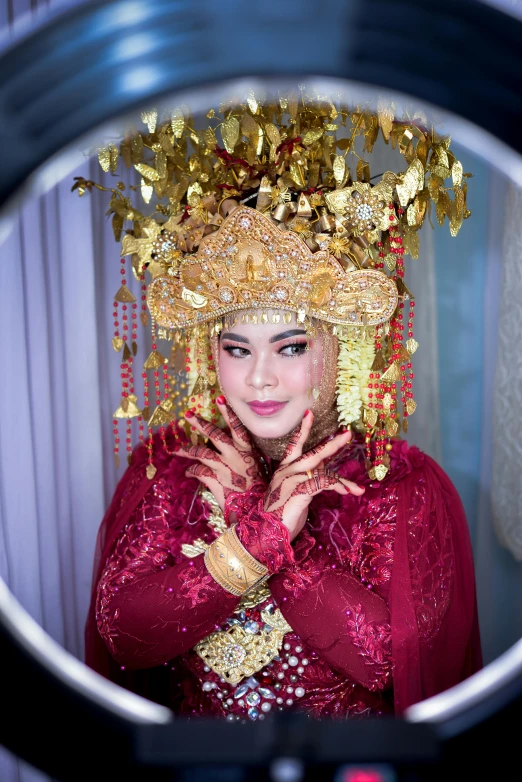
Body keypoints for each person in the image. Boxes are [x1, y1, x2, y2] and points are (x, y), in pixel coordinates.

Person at [83, 94, 482, 721]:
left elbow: (387, 660)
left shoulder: (398, 485)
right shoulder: (171, 467)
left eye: (290, 346)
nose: (259, 378)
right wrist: (257, 539)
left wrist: (267, 536)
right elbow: (122, 638)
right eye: (236, 348)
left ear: (341, 343)